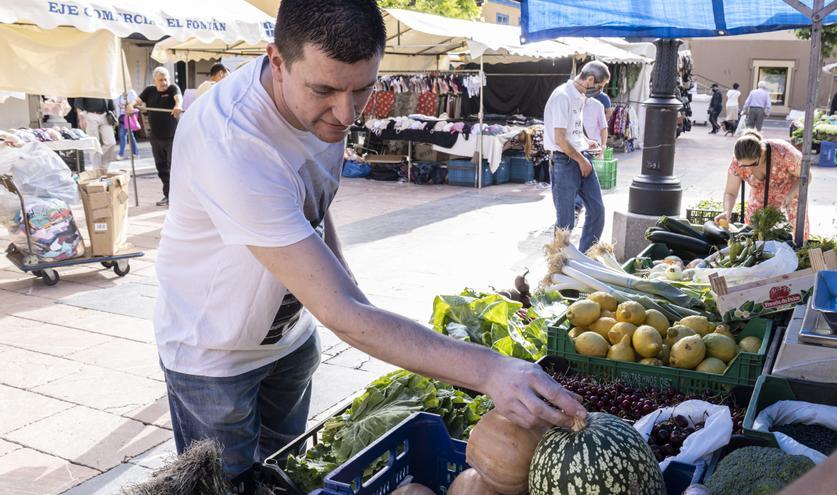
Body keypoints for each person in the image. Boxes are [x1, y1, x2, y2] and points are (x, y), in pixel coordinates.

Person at [154, 0, 584, 479]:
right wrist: (489, 371)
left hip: (290, 340)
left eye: (362, 89)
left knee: (285, 476)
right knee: (227, 486)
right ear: (277, 61)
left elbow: (310, 201)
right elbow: (343, 315)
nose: (345, 113)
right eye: (324, 90)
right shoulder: (233, 142)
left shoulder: (326, 107)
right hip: (215, 352)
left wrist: (340, 274)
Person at [544, 61, 610, 253]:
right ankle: (557, 262)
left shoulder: (580, 96)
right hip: (564, 161)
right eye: (599, 86)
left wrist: (586, 141)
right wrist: (581, 160)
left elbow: (573, 129)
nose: (599, 91)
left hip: (581, 156)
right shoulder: (562, 96)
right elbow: (560, 139)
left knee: (597, 210)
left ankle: (587, 256)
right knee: (566, 221)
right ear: (590, 79)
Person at [714, 129, 809, 239]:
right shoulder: (737, 162)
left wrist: (791, 195)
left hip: (790, 193)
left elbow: (806, 176)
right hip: (759, 197)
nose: (749, 168)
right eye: (745, 165)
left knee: (795, 234)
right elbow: (731, 192)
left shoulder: (783, 153)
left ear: (762, 152)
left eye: (753, 163)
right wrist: (727, 211)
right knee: (753, 234)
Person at [128, 67, 183, 206]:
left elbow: (178, 98)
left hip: (171, 137)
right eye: (160, 80)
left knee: (174, 167)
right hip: (156, 137)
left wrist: (177, 106)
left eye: (165, 79)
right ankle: (168, 195)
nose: (164, 82)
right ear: (155, 80)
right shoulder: (149, 90)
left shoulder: (172, 88)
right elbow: (137, 101)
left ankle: (178, 197)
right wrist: (130, 105)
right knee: (161, 168)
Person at [73, 97, 117, 169]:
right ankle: (97, 169)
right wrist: (81, 118)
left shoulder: (105, 86)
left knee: (111, 142)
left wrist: (114, 116)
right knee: (94, 143)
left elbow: (111, 104)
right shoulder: (84, 86)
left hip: (105, 115)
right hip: (90, 115)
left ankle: (104, 167)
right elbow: (78, 103)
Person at [115, 89, 140, 160]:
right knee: (129, 135)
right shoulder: (117, 93)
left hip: (129, 116)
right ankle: (135, 153)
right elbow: (116, 107)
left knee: (122, 134)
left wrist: (129, 105)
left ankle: (121, 154)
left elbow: (137, 102)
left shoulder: (131, 92)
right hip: (121, 117)